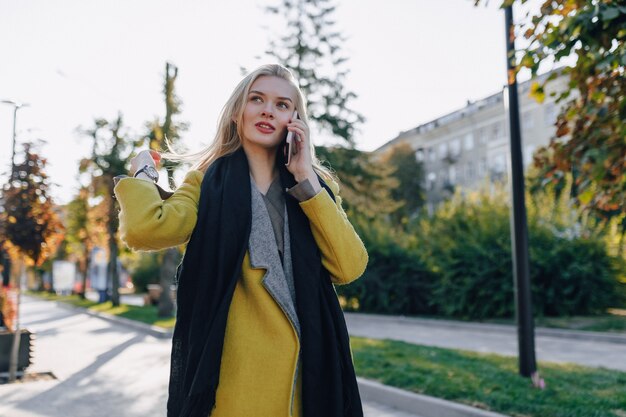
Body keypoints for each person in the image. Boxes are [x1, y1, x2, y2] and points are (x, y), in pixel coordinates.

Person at [114, 64, 368, 417]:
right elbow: (146, 230)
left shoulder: (313, 189)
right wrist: (143, 173)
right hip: (235, 391)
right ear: (237, 113)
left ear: (295, 121)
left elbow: (349, 265)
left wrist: (306, 178)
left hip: (306, 389)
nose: (268, 110)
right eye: (257, 99)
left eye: (282, 105)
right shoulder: (205, 183)